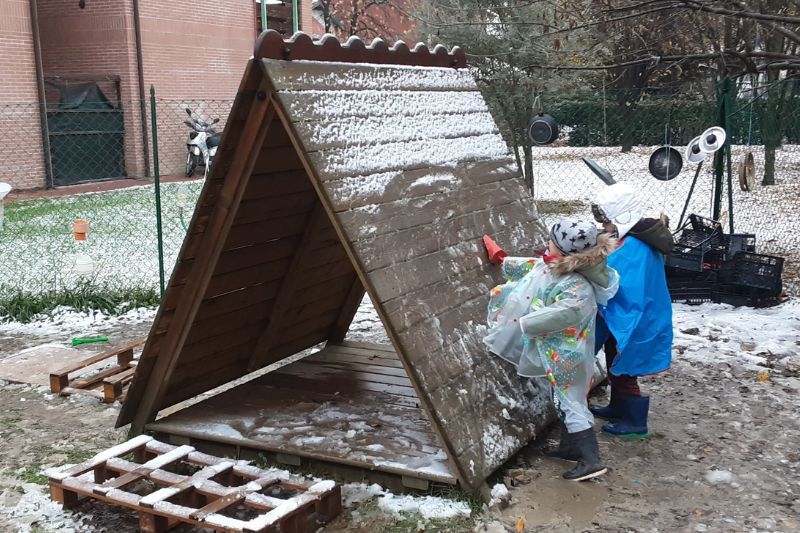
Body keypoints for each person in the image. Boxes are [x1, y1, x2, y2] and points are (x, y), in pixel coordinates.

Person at [483, 219, 618, 481]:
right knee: (563, 398)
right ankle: (569, 447)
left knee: (571, 401)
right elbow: (533, 269)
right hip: (558, 351)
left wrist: (526, 321)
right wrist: (502, 258)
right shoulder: (559, 267)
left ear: (564, 249)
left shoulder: (576, 284)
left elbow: (565, 313)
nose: (547, 244)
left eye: (551, 242)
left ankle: (591, 460)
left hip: (568, 354)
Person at [589, 183, 674, 439]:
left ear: (622, 216)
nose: (605, 228)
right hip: (635, 315)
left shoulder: (634, 247)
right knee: (615, 358)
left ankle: (635, 422)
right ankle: (618, 407)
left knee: (625, 367)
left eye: (607, 223)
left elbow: (616, 279)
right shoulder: (637, 237)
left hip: (637, 318)